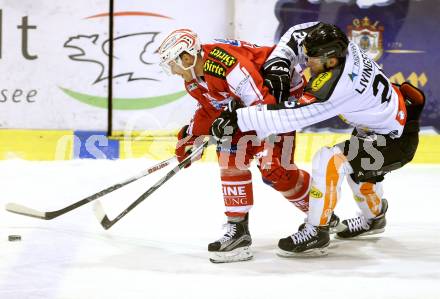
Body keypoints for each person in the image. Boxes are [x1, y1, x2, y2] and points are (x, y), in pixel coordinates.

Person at [211, 22, 425, 256]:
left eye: (311, 58)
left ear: (331, 61)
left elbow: (292, 117)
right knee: (361, 174)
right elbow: (299, 33)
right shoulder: (343, 47)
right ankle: (375, 219)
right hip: (387, 125)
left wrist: (239, 118)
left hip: (394, 140)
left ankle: (316, 231)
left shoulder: (340, 87)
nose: (305, 62)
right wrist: (279, 61)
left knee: (329, 160)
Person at [157, 29, 342, 263]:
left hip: (279, 96)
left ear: (187, 58)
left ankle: (320, 215)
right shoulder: (193, 80)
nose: (172, 71)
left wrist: (248, 136)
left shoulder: (226, 64)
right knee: (230, 155)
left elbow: (262, 103)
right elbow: (212, 109)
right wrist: (191, 136)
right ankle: (238, 231)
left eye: (173, 64)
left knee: (274, 169)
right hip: (252, 101)